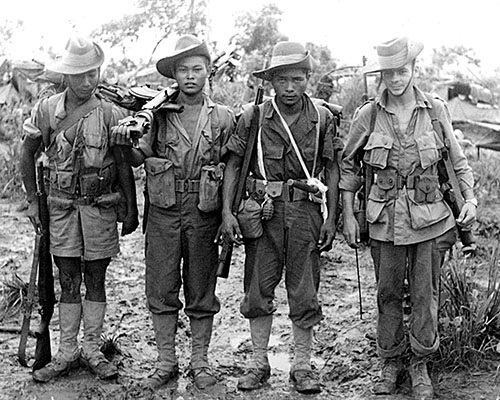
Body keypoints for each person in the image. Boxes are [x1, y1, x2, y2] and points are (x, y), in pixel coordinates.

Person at [340, 37, 477, 400]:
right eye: (389, 72)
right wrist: (349, 215)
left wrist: (471, 200)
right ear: (381, 75)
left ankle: (420, 364)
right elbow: (349, 167)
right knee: (386, 293)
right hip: (383, 219)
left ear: (414, 70)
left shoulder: (434, 110)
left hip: (430, 220)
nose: (396, 78)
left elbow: (457, 161)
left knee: (424, 294)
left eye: (402, 70)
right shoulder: (367, 114)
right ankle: (390, 361)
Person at [111, 34, 235, 390]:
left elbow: (232, 168)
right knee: (162, 287)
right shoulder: (156, 114)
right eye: (183, 70)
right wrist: (126, 142)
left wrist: (227, 213)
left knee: (202, 288)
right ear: (174, 75)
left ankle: (200, 362)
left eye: (197, 69)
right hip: (164, 212)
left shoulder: (223, 117)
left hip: (204, 212)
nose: (190, 76)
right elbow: (140, 157)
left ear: (209, 72)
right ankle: (166, 362)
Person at [221, 41, 342, 394]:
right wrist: (228, 212)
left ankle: (302, 366)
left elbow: (332, 169)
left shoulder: (322, 118)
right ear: (270, 81)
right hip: (265, 213)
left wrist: (332, 217)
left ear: (308, 78)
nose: (290, 88)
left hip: (305, 212)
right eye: (282, 80)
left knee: (305, 291)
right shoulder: (253, 117)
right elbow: (233, 165)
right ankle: (259, 362)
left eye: (297, 79)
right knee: (258, 289)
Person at [20, 36, 139, 383]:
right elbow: (27, 154)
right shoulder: (46, 110)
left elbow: (121, 163)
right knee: (68, 278)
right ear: (67, 76)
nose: (87, 81)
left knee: (96, 279)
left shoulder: (111, 112)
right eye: (80, 75)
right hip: (60, 209)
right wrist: (31, 199)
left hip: (100, 208)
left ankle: (91, 349)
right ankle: (67, 352)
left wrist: (131, 209)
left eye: (93, 73)